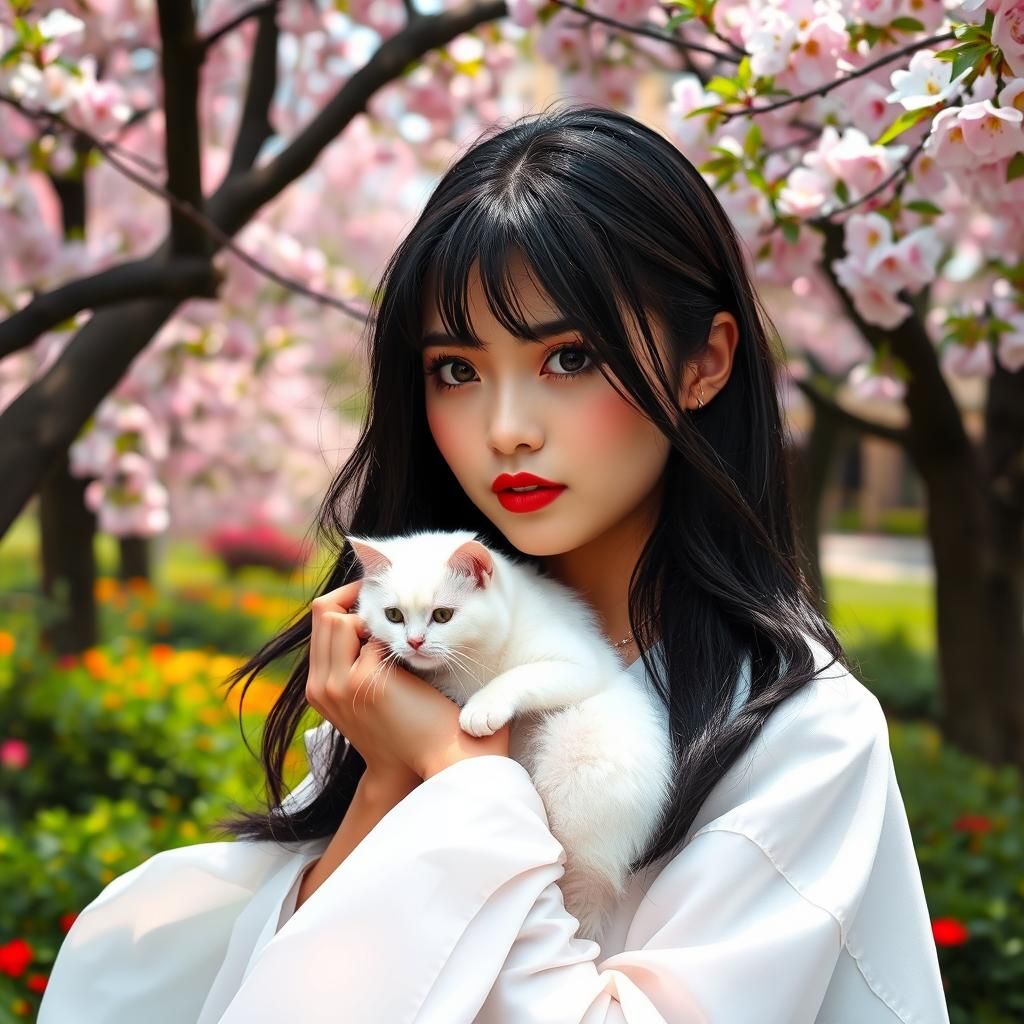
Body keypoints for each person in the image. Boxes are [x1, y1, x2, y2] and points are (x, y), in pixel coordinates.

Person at [38, 104, 950, 1023]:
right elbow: (283, 989)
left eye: (569, 356)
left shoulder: (800, 734)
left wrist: (456, 775)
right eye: (458, 371)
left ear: (703, 363)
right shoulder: (425, 659)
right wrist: (389, 775)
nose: (507, 428)